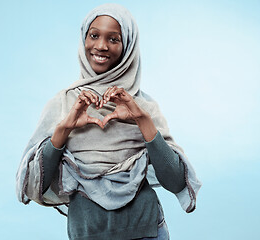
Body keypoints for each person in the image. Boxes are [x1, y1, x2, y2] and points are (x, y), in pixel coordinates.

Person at [16, 3, 201, 240]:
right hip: (87, 233)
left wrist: (142, 120)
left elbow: (176, 181)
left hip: (148, 232)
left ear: (128, 46)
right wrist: (64, 129)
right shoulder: (63, 104)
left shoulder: (143, 106)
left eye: (114, 39)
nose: (101, 46)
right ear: (84, 38)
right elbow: (34, 186)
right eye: (94, 35)